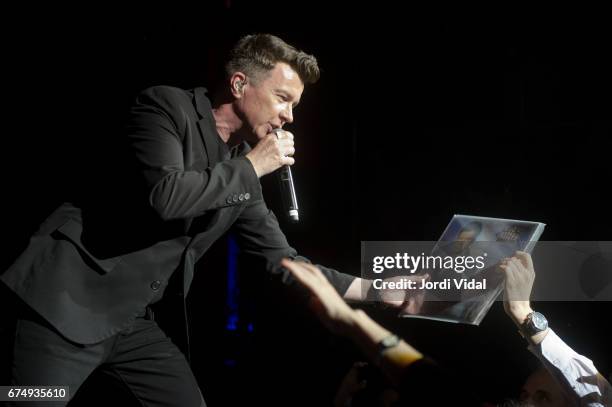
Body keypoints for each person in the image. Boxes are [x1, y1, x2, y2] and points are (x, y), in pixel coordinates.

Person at [0, 33, 380, 406]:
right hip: (63, 305)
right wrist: (252, 166)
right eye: (283, 99)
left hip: (132, 321)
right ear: (238, 84)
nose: (289, 116)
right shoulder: (165, 107)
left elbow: (283, 261)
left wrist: (376, 290)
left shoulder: (240, 165)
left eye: (295, 105)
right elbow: (166, 196)